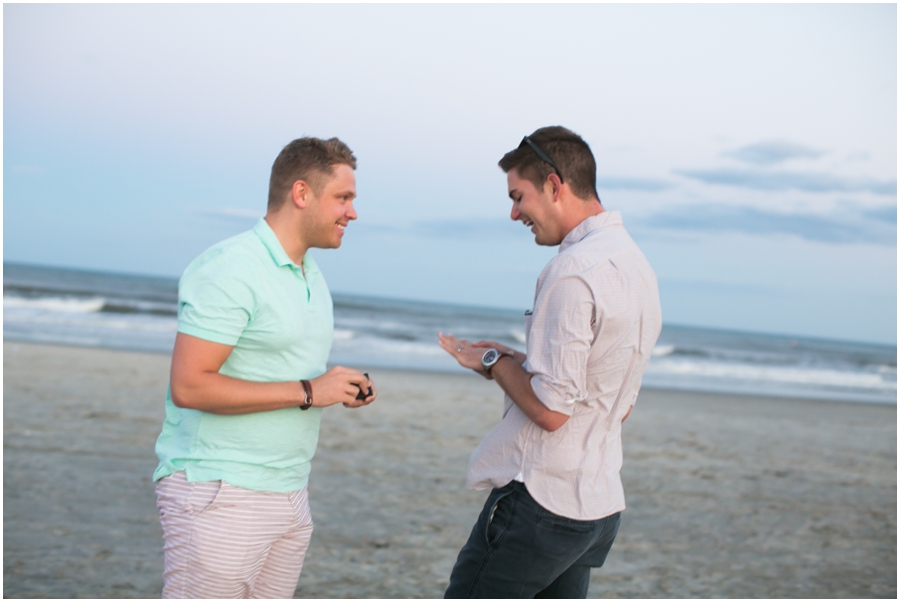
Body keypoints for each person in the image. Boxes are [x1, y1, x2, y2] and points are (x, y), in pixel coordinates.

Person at [439, 126, 662, 598]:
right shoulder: (637, 266)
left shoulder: (572, 271)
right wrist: (508, 360)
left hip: (541, 503)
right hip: (596, 507)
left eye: (519, 196)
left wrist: (497, 361)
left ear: (555, 185)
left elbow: (552, 411)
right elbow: (612, 398)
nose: (514, 212)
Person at [153, 136, 377, 599]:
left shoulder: (309, 272)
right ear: (301, 194)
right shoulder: (232, 267)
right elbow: (190, 387)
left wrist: (335, 388)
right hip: (220, 489)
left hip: (290, 490)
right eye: (343, 198)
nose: (352, 213)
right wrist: (312, 390)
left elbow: (284, 370)